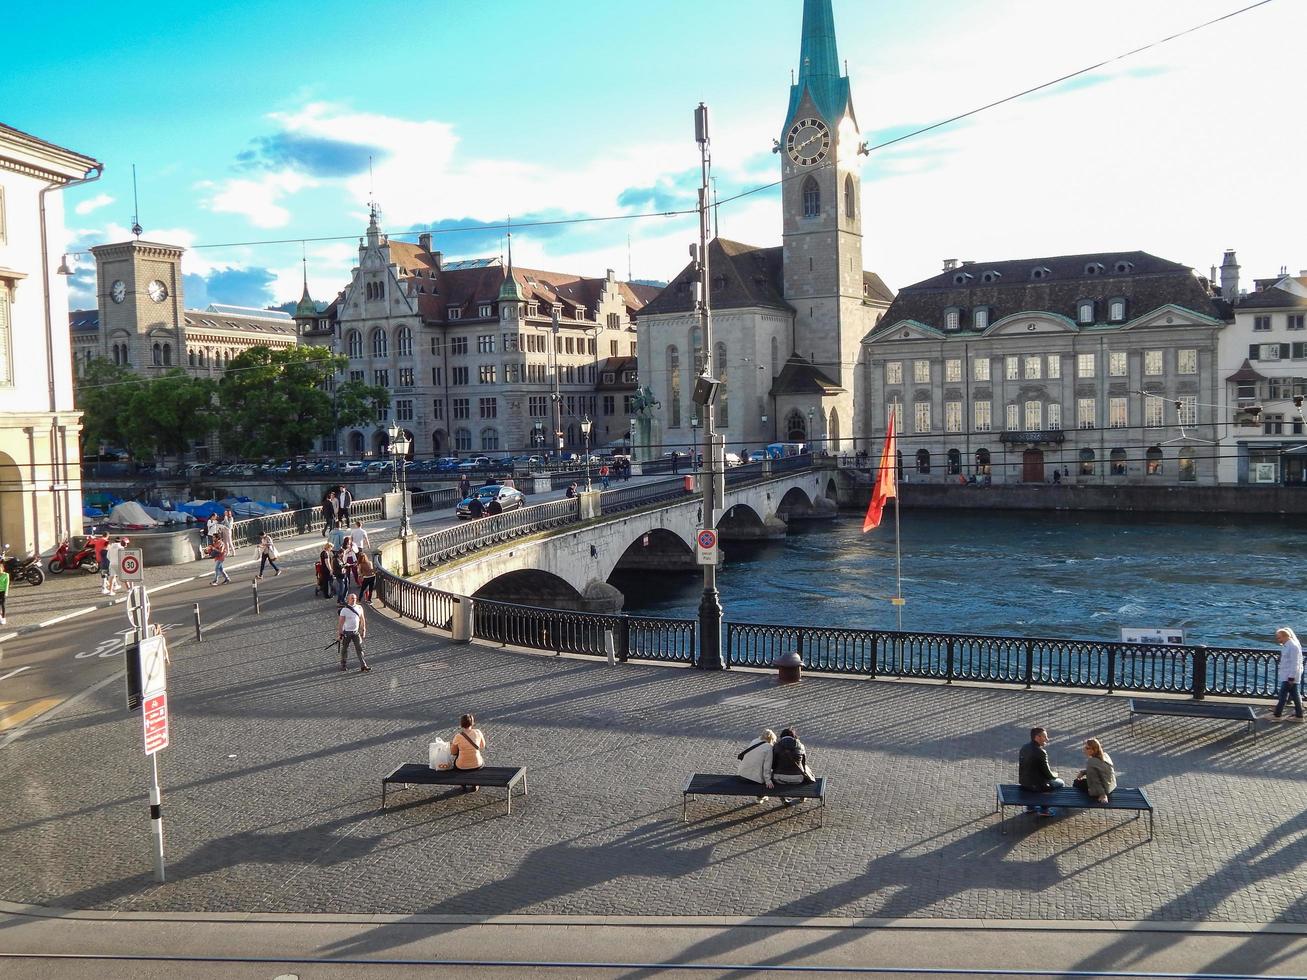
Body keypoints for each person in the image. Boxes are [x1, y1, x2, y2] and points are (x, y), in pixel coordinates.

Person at [1018, 726, 1064, 816]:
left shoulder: (1024, 747)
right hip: (1036, 785)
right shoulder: (1041, 752)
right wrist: (1055, 775)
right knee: (1060, 783)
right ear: (1037, 737)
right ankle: (1044, 809)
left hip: (1024, 782)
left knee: (1035, 780)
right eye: (1044, 737)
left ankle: (1030, 807)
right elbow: (1048, 774)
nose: (1047, 739)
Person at [770, 727, 813, 805]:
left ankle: (783, 799)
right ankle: (802, 796)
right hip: (798, 779)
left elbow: (773, 764)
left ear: (782, 736)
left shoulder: (776, 746)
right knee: (806, 769)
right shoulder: (800, 746)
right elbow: (803, 763)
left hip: (779, 778)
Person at [1272, 627, 1304, 720]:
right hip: (1287, 675)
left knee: (1283, 695)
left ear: (1285, 636)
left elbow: (1295, 663)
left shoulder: (1293, 646)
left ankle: (1277, 715)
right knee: (1295, 694)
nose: (1278, 640)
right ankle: (1299, 715)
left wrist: (1291, 677)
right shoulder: (1287, 645)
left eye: (1279, 638)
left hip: (1289, 676)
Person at [736, 728, 776, 803]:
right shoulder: (768, 747)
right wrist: (768, 781)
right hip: (753, 779)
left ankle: (761, 797)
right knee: (768, 778)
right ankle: (760, 797)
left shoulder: (754, 741)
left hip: (742, 773)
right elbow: (767, 766)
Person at [449, 712, 486, 791]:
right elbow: (482, 746)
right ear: (472, 723)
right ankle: (475, 784)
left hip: (462, 766)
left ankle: (463, 784)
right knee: (480, 761)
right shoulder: (478, 732)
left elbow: (453, 752)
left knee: (456, 762)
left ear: (461, 724)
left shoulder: (458, 736)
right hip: (477, 764)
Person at [1073, 738, 1116, 804]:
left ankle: (1082, 802)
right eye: (1085, 746)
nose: (1084, 749)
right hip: (1110, 786)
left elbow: (1095, 780)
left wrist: (1102, 794)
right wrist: (1083, 772)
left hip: (1103, 790)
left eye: (1087, 748)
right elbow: (1099, 771)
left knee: (1076, 783)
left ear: (1093, 750)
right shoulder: (1105, 755)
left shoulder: (1091, 762)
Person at [336, 592, 370, 672]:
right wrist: (340, 634)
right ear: (348, 599)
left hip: (355, 632)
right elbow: (341, 623)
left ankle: (363, 665)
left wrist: (363, 629)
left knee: (359, 649)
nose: (354, 600)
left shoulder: (359, 608)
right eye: (352, 598)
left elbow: (362, 619)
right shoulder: (344, 610)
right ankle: (343, 664)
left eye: (355, 598)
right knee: (344, 648)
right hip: (347, 632)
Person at [91, 530, 111, 595]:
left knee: (103, 571)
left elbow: (91, 543)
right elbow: (108, 548)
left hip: (98, 557)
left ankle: (106, 583)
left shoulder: (98, 540)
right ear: (107, 536)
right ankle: (104, 587)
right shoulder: (106, 541)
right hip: (104, 558)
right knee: (105, 572)